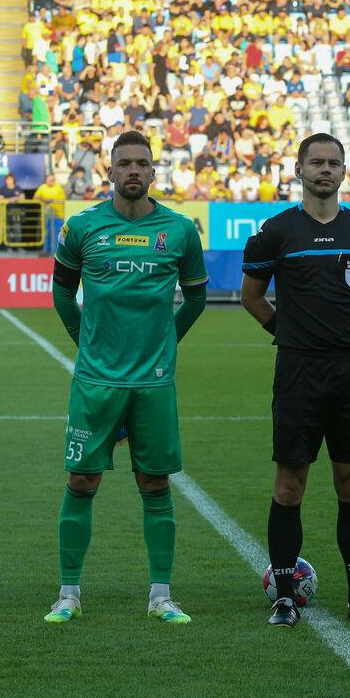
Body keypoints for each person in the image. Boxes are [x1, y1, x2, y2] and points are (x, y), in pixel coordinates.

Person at [43, 130, 208, 625]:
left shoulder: (179, 231)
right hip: (97, 380)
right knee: (81, 478)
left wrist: (165, 345)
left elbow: (196, 298)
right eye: (124, 163)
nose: (133, 170)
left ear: (154, 172)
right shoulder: (83, 227)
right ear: (109, 172)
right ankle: (68, 594)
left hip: (153, 384)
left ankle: (161, 595)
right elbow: (60, 293)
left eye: (142, 163)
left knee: (154, 483)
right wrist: (86, 343)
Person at [240, 133, 350, 628]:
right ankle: (284, 598)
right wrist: (288, 334)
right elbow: (251, 296)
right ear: (299, 169)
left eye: (333, 163)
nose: (325, 170)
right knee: (290, 484)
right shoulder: (276, 232)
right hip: (298, 372)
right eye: (316, 162)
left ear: (344, 171)